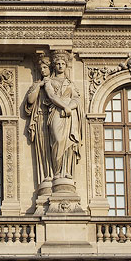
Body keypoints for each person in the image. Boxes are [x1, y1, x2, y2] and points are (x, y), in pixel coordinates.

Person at [44, 51, 82, 180]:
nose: (60, 66)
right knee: (58, 140)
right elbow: (51, 96)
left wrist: (70, 107)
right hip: (57, 112)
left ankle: (65, 171)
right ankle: (57, 171)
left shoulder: (70, 83)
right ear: (54, 66)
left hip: (69, 115)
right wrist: (64, 106)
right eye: (58, 64)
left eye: (63, 64)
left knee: (68, 142)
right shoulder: (49, 81)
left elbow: (77, 99)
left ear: (66, 66)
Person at [24, 54, 53, 188]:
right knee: (43, 149)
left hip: (55, 118)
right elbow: (30, 100)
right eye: (40, 68)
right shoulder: (37, 84)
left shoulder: (56, 83)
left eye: (45, 67)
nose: (42, 70)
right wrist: (39, 86)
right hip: (41, 118)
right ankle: (46, 176)